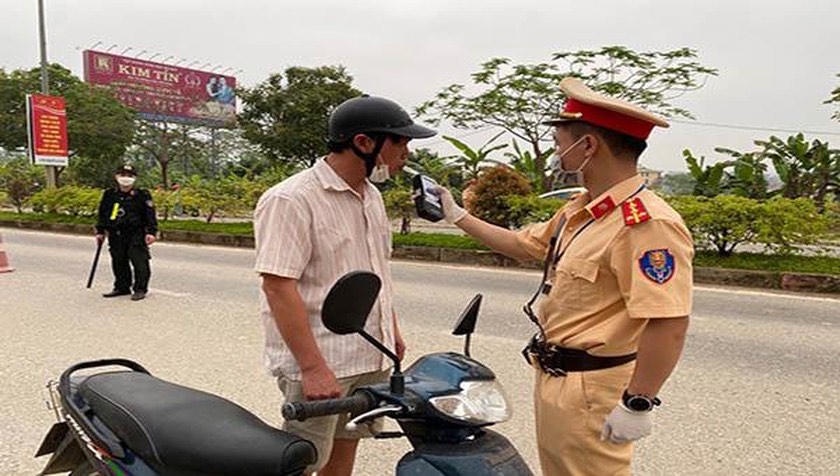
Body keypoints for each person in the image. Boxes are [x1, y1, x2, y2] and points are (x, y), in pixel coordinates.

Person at [434, 78, 693, 476]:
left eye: (560, 143)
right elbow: (524, 245)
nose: (557, 153)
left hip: (595, 387)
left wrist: (638, 402)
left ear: (588, 146)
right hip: (558, 377)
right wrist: (458, 216)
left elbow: (669, 322)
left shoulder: (646, 223)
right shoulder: (582, 209)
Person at [253, 95, 436, 475]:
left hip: (369, 353)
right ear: (364, 143)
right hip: (324, 360)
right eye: (399, 141)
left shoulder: (371, 196)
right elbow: (277, 286)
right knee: (303, 462)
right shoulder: (291, 199)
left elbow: (375, 272)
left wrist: (392, 331)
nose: (406, 150)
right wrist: (312, 367)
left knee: (346, 449)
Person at [95, 164, 158, 301]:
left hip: (136, 233)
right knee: (119, 261)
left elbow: (150, 215)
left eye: (129, 176)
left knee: (139, 262)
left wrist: (152, 232)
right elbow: (103, 213)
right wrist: (100, 231)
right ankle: (122, 287)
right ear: (116, 177)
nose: (125, 179)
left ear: (134, 178)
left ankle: (140, 289)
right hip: (116, 233)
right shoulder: (110, 194)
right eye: (122, 175)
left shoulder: (142, 195)